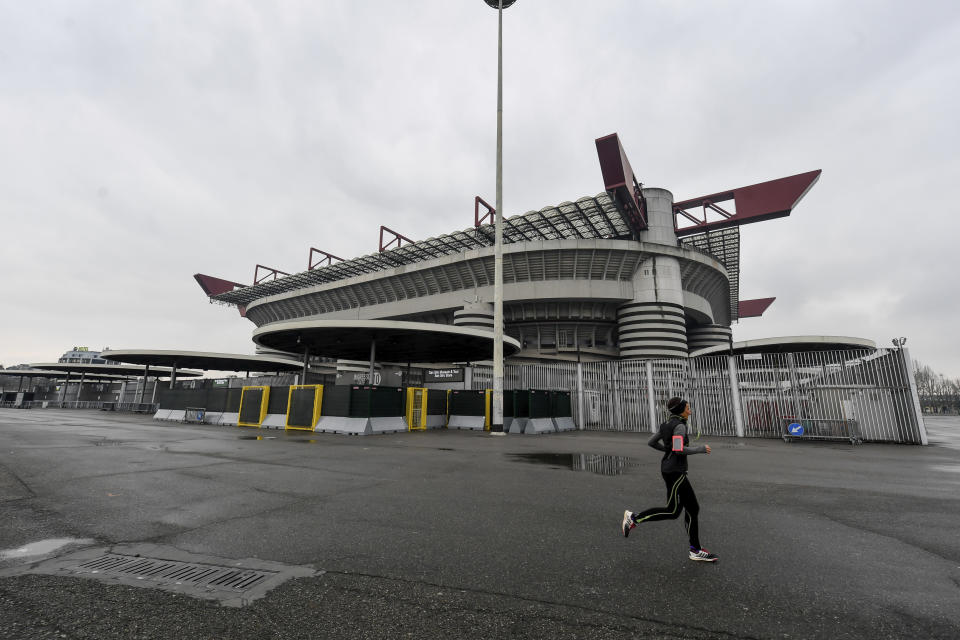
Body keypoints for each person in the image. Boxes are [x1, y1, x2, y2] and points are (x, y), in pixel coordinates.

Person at [620, 396, 718, 562]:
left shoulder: (666, 424)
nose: (690, 411)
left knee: (691, 509)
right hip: (675, 472)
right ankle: (633, 519)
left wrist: (667, 450)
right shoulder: (679, 426)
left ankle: (695, 549)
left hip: (670, 469)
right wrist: (700, 449)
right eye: (688, 408)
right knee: (673, 511)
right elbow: (679, 450)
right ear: (681, 410)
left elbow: (651, 442)